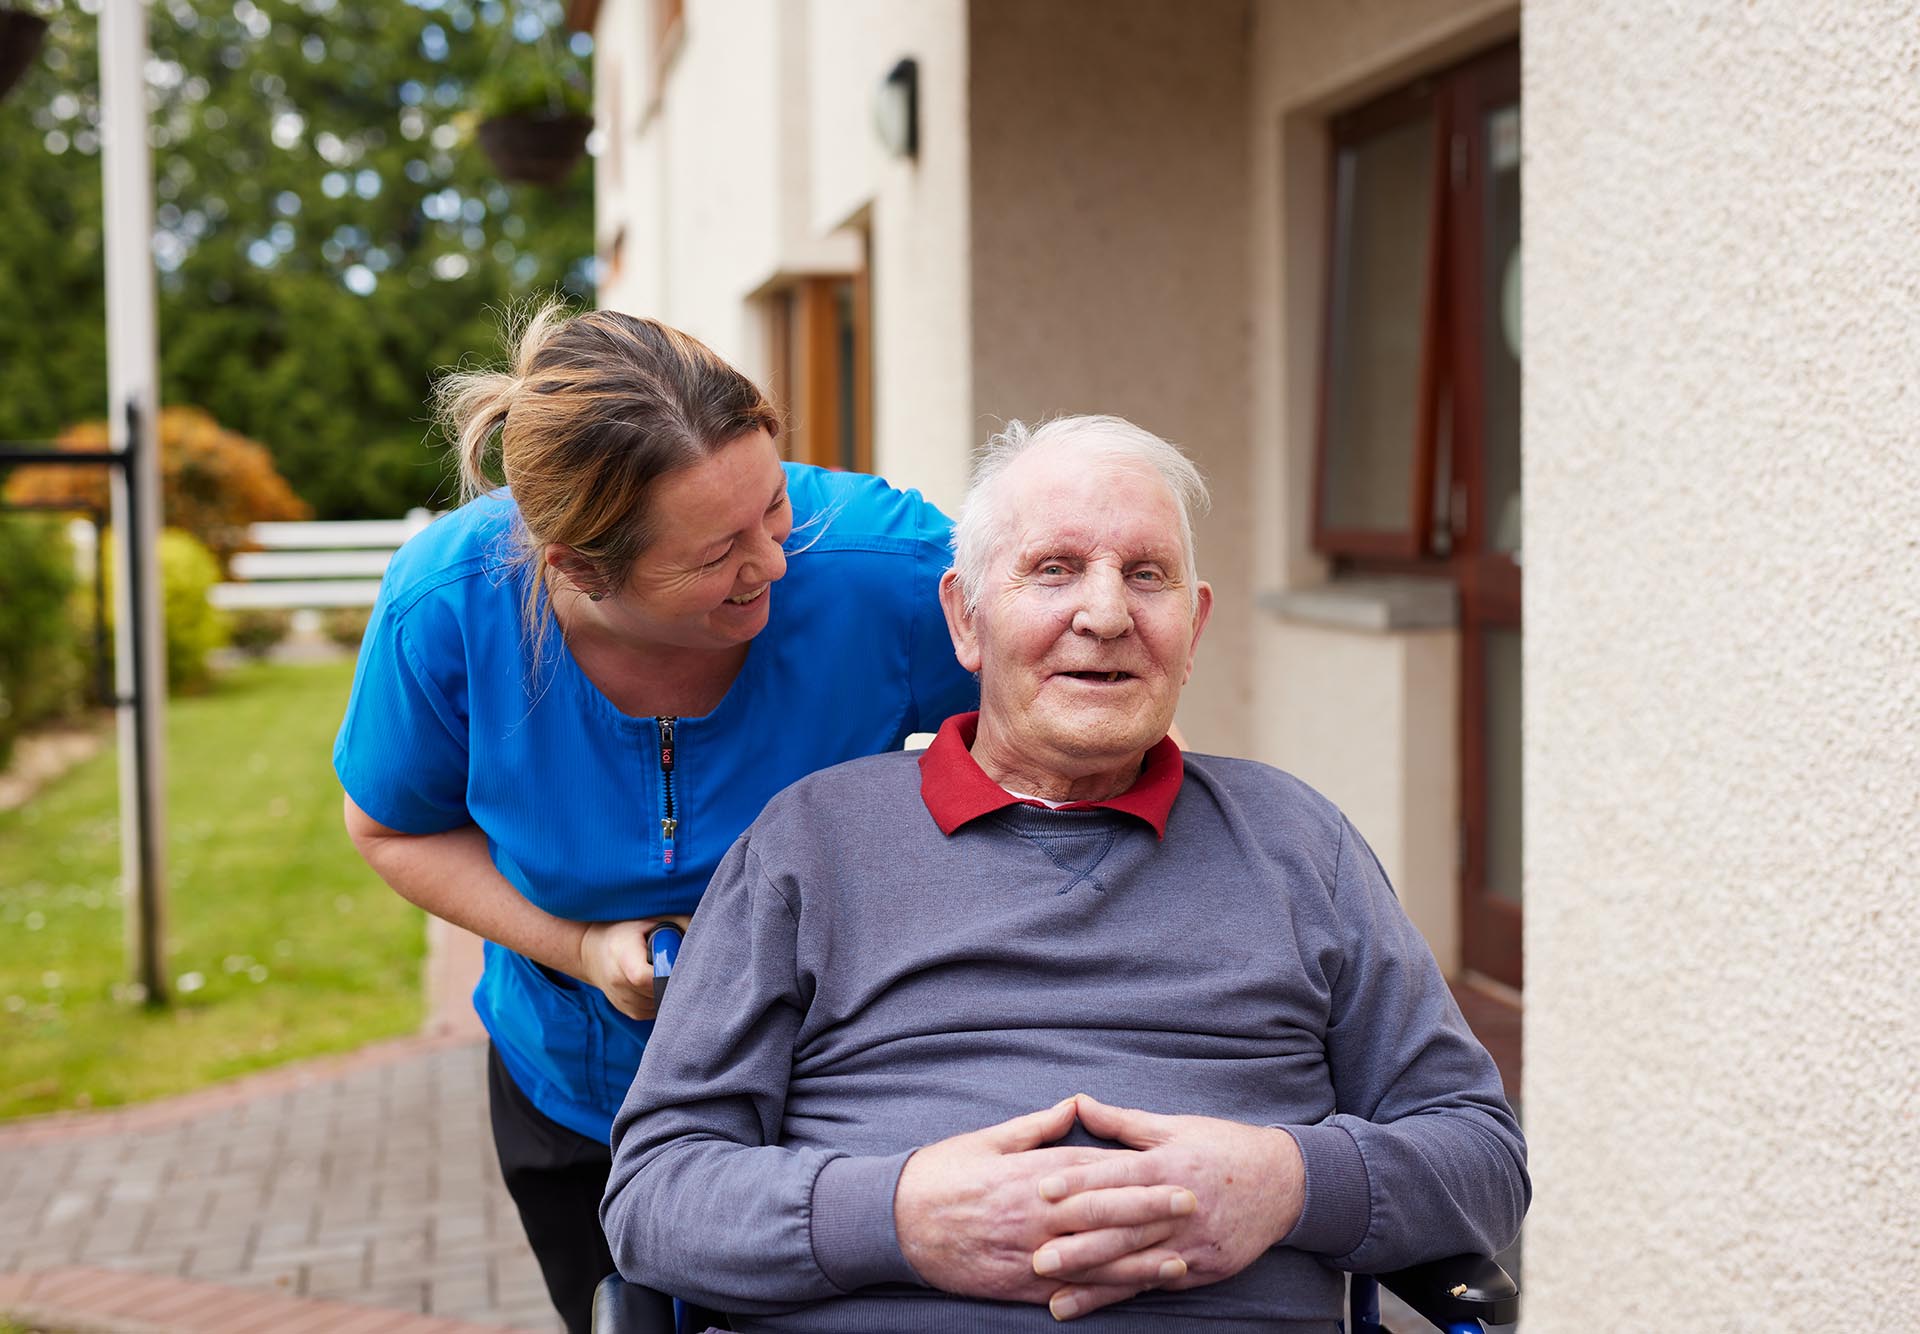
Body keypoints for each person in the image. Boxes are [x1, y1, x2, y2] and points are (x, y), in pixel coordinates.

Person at [601, 415, 1529, 1331]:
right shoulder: (811, 842)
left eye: (1147, 576)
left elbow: (1482, 1159)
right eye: (1055, 569)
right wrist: (898, 1216)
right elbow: (657, 1192)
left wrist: (1290, 1184)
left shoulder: (1297, 843)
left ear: (1193, 626)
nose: (1106, 613)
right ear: (966, 618)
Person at [332, 303, 978, 1333]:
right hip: (578, 1104)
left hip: (835, 1094)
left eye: (773, 503)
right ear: (577, 568)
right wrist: (581, 946)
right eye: (719, 551)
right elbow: (394, 828)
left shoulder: (882, 566)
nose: (773, 559)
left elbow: (1054, 735)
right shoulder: (446, 606)